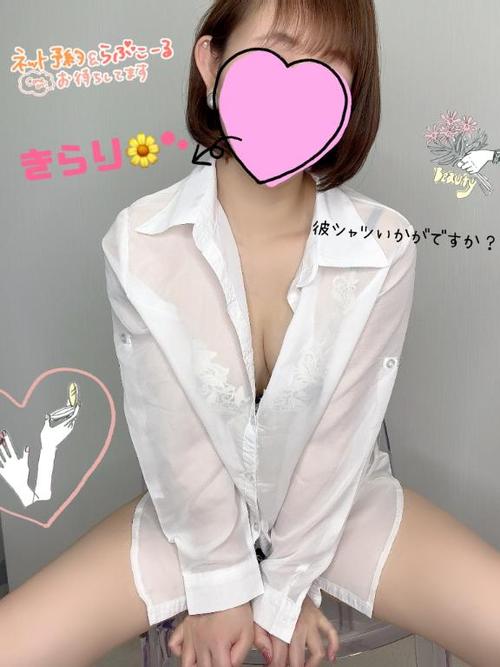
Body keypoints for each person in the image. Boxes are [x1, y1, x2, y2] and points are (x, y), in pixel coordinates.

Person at [1, 2, 500, 667]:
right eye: (276, 52)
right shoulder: (142, 242)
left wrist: (286, 590)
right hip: (193, 518)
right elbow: (174, 429)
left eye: (329, 66)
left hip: (341, 510)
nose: (295, 87)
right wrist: (219, 587)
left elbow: (339, 436)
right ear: (211, 64)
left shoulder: (383, 245)